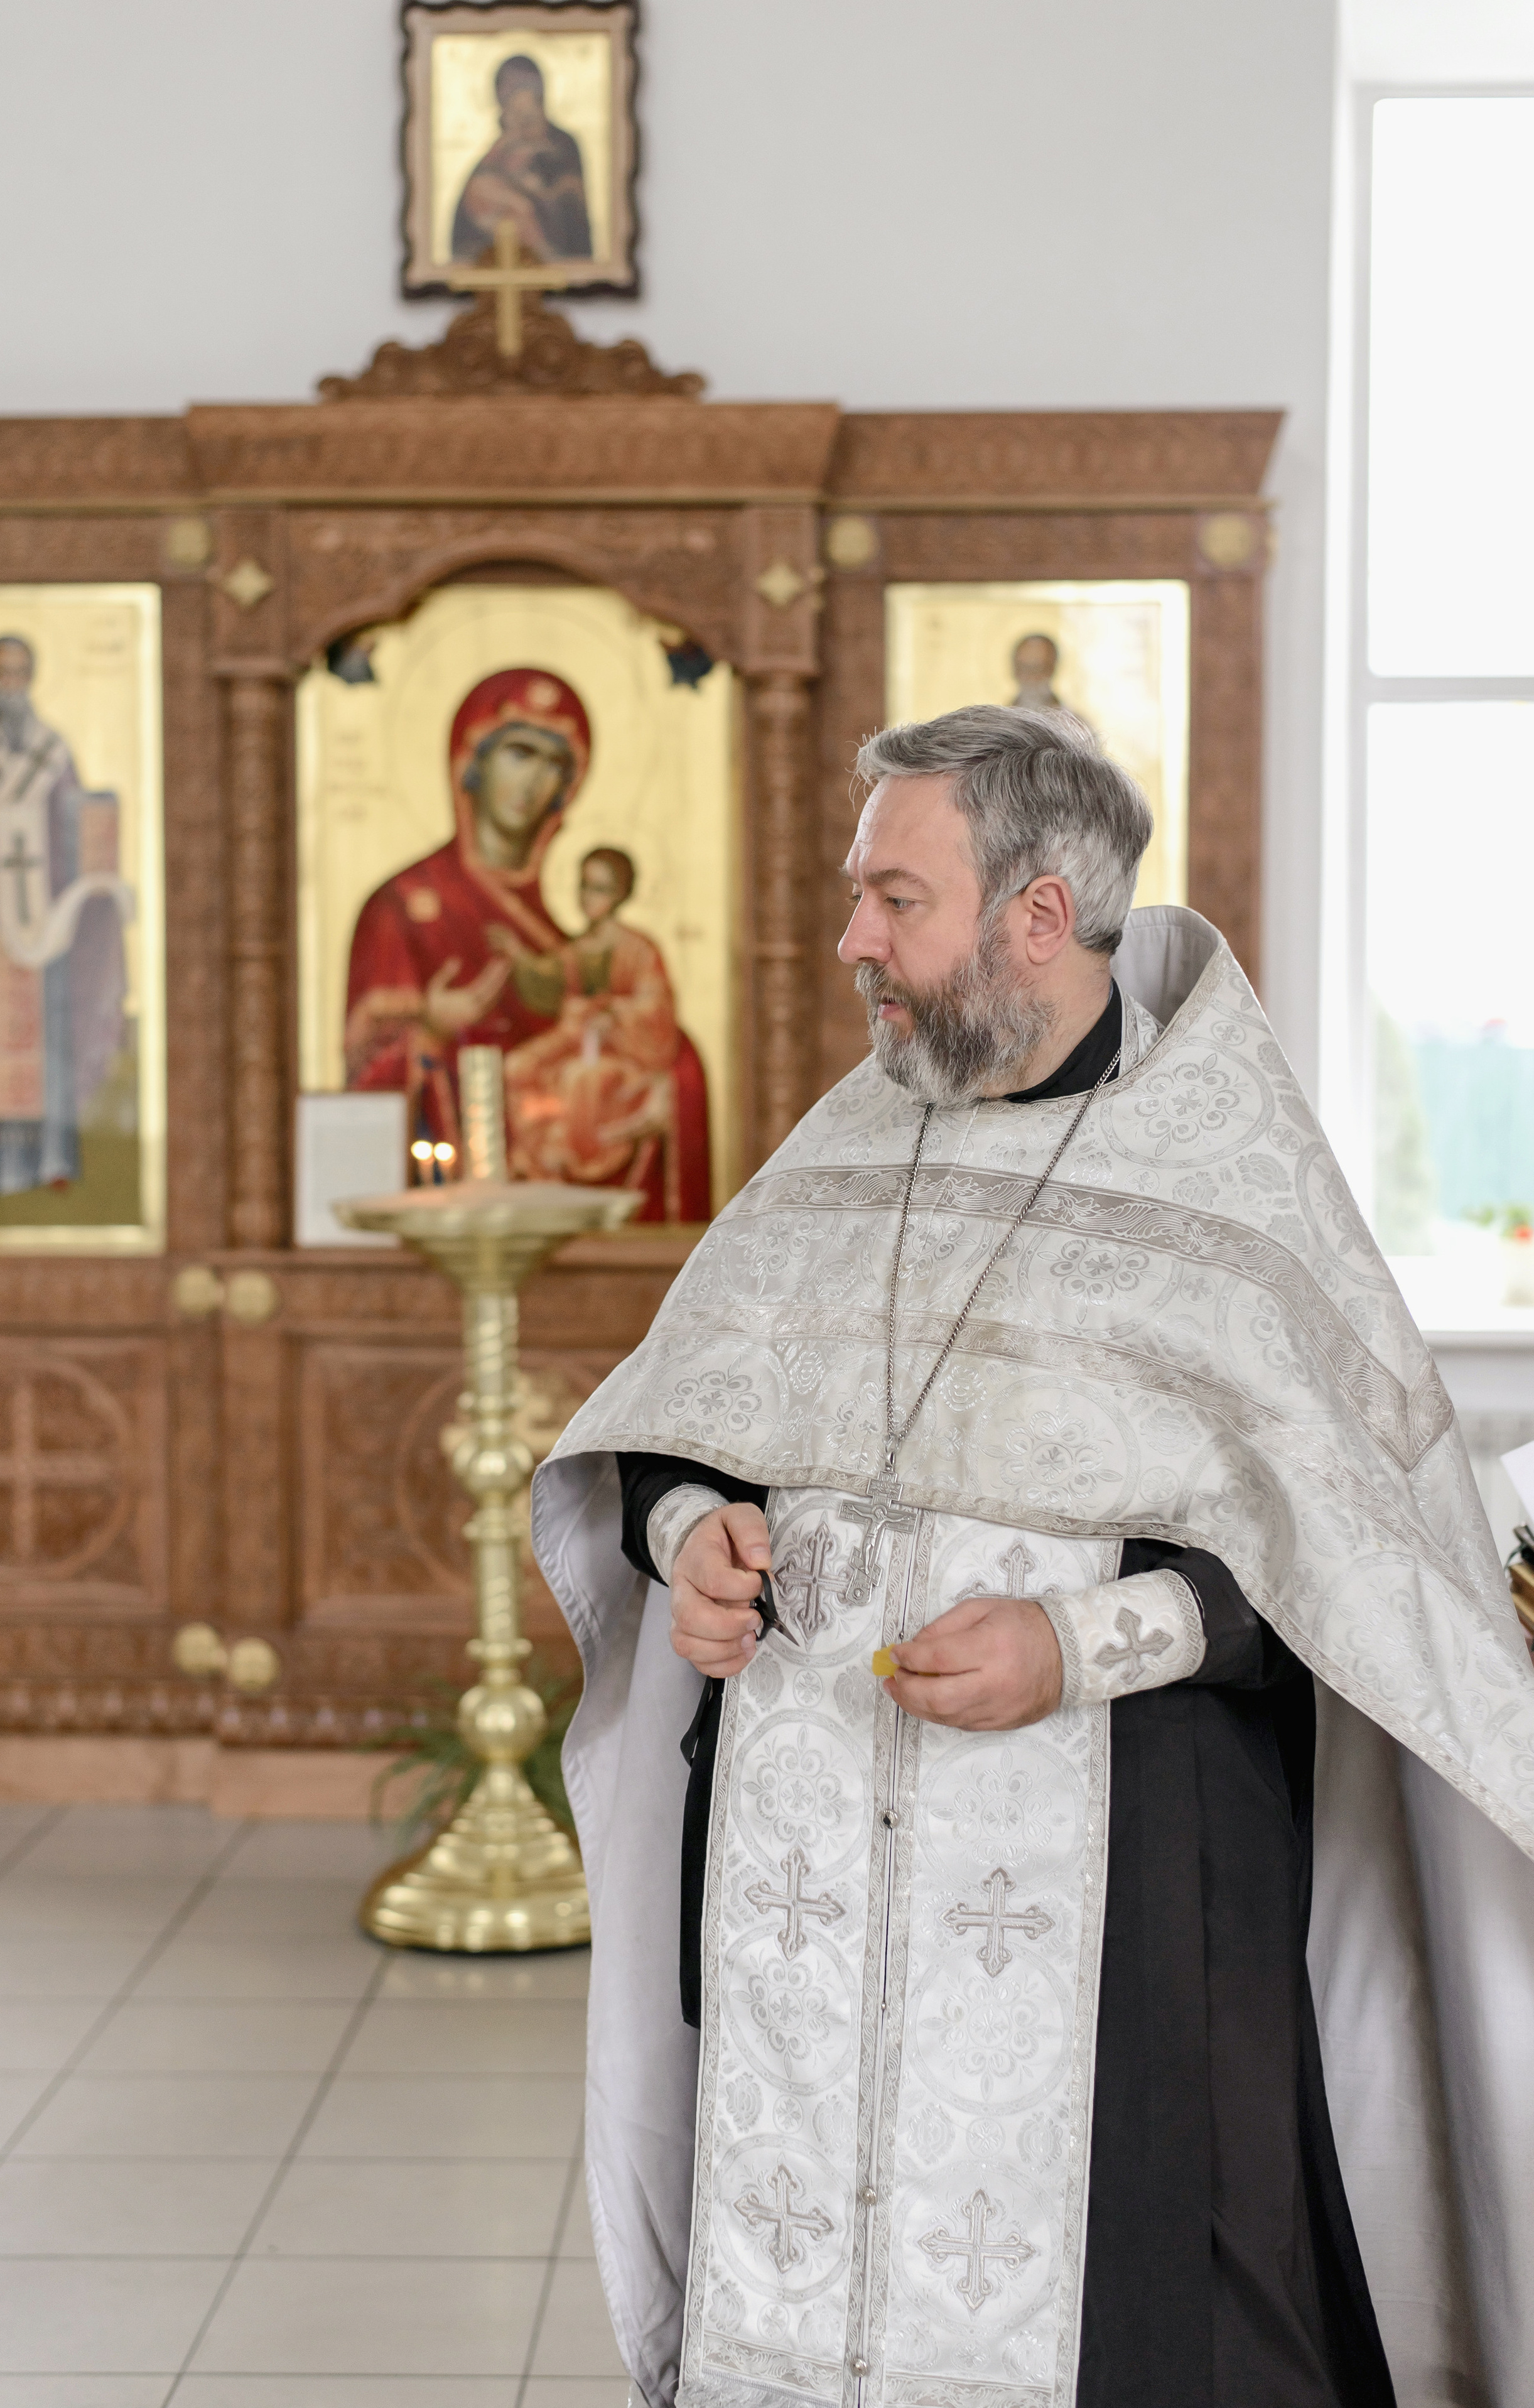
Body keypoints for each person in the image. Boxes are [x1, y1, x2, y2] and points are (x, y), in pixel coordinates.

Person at [532, 705, 1534, 2408]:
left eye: (896, 898)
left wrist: (1082, 1647)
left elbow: (1354, 1569)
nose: (853, 937)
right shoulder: (849, 1141)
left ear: (1040, 917)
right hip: (805, 1881)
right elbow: (685, 1417)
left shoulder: (1233, 1180)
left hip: (1128, 1878)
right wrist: (687, 1531)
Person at [344, 668, 591, 1154]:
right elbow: (361, 1075)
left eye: (554, 764)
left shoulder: (561, 934)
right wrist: (432, 1025)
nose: (533, 781)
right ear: (471, 761)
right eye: (519, 753)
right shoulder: (399, 908)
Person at [0, 634, 132, 1195]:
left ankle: (51, 1160)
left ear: (32, 677)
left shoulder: (53, 751)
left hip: (45, 925)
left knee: (49, 1040)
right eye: (1, 673)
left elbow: (76, 824)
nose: (10, 685)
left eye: (19, 673)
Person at [503, 846, 711, 1221]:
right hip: (579, 1041)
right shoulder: (579, 949)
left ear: (620, 894)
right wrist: (517, 956)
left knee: (578, 1079)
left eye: (599, 888)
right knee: (520, 1066)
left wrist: (613, 1014)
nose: (588, 898)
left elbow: (656, 1010)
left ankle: (572, 1161)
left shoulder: (639, 949)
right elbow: (546, 982)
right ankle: (539, 1169)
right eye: (584, 887)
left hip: (629, 1054)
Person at [450, 53, 593, 265]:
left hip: (550, 238)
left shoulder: (562, 145)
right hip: (502, 243)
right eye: (511, 103)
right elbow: (468, 213)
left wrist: (541, 192)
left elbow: (572, 205)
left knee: (521, 208)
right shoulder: (502, 147)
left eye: (526, 106)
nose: (520, 116)